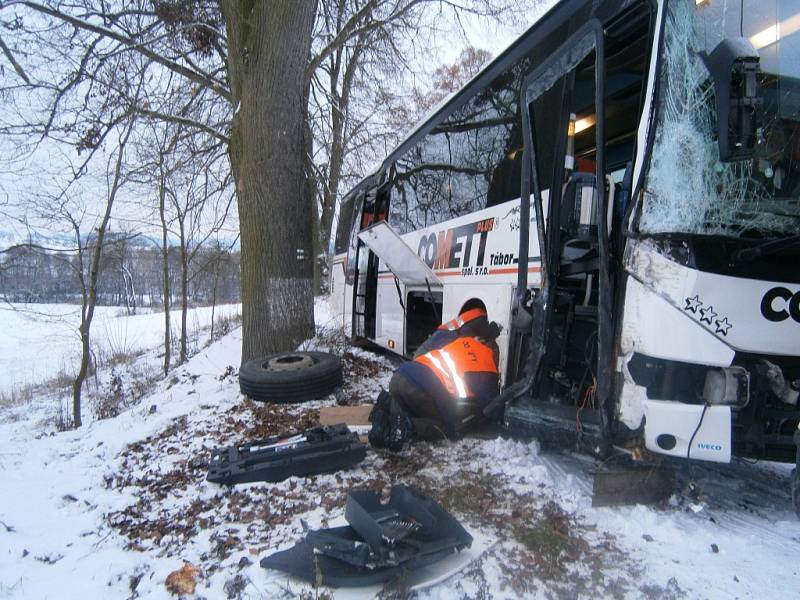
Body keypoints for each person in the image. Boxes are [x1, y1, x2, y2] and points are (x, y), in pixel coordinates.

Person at [370, 304, 501, 451]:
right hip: (417, 389)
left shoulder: (460, 342)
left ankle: (386, 406)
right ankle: (406, 428)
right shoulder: (485, 361)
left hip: (399, 377)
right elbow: (490, 402)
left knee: (413, 408)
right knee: (446, 426)